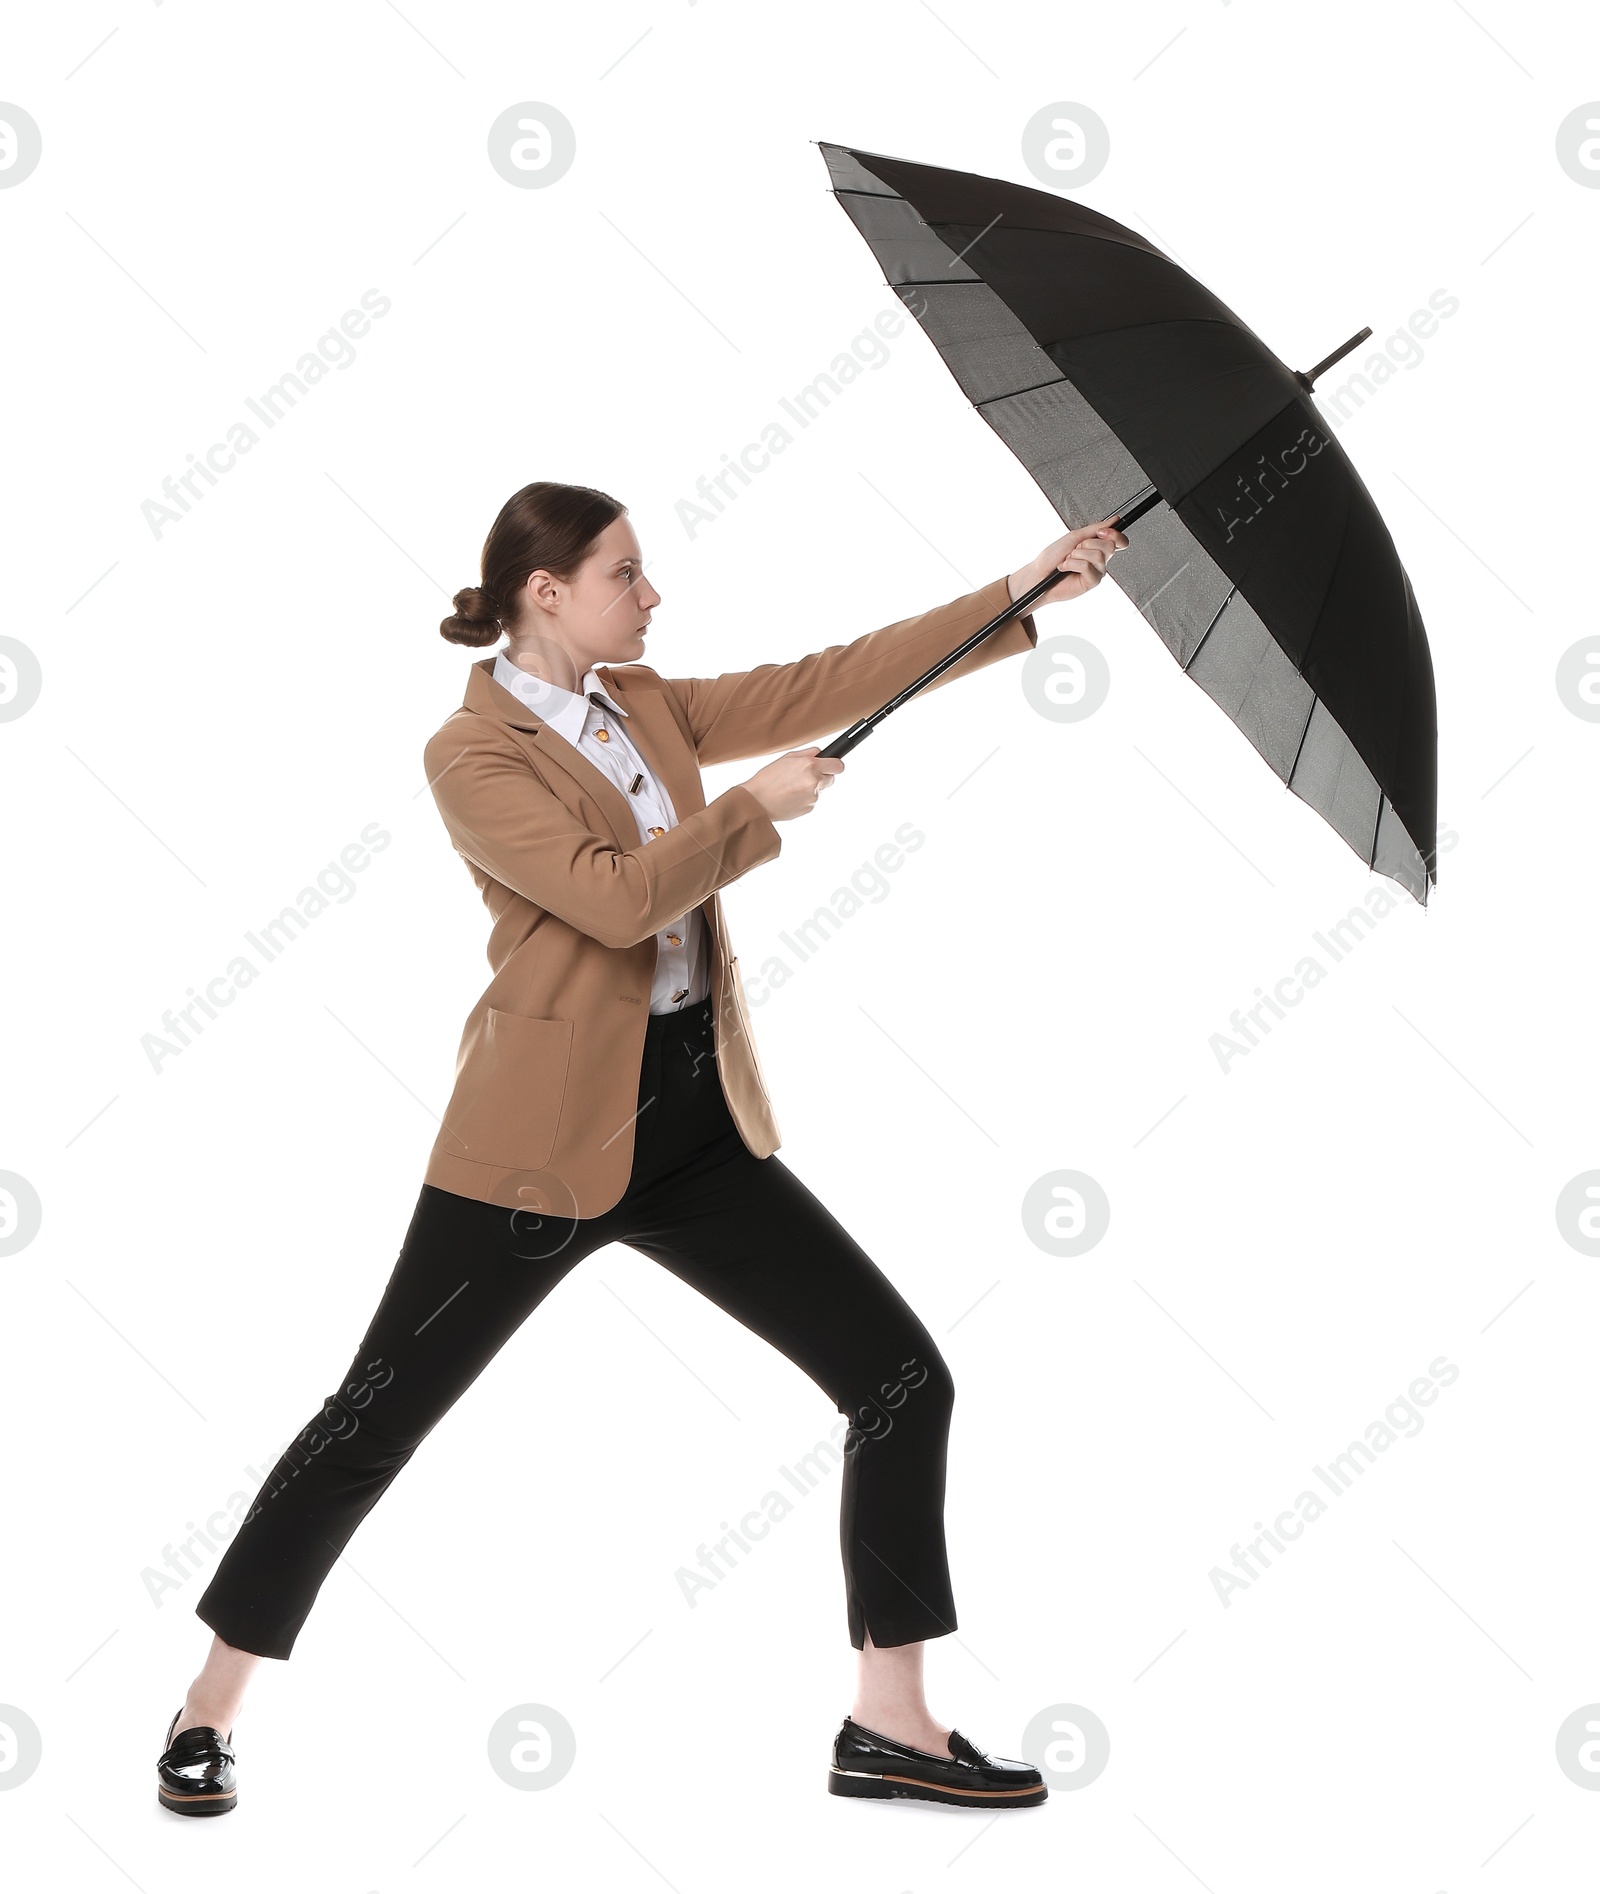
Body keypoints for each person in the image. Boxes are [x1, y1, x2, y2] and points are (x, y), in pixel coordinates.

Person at [154, 480, 1126, 1816]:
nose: (651, 593)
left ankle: (890, 1716)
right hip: (535, 1149)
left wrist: (1016, 596)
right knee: (374, 1419)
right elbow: (614, 901)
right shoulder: (469, 752)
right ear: (544, 591)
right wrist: (755, 812)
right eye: (628, 572)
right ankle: (208, 1710)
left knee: (899, 1375)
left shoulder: (647, 704)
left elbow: (822, 677)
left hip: (691, 1121)